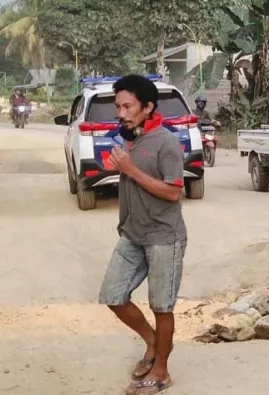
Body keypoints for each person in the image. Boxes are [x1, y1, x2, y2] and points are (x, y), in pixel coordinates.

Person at [97, 75, 187, 394]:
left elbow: (174, 193)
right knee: (112, 295)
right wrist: (121, 168)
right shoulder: (129, 137)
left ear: (148, 107)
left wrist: (130, 170)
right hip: (132, 233)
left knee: (162, 306)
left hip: (164, 236)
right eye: (117, 106)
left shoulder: (166, 142)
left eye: (128, 106)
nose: (120, 113)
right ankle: (153, 342)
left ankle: (161, 369)